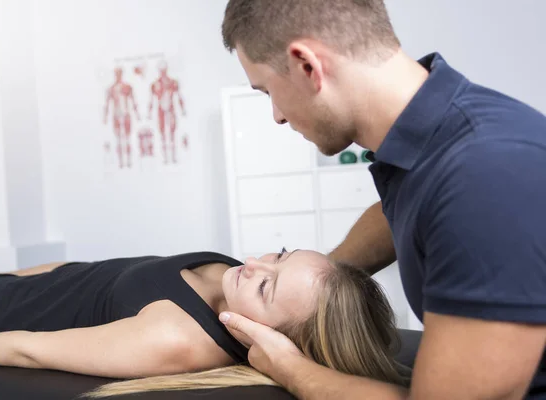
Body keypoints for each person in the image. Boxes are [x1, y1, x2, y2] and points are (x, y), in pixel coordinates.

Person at [219, 1, 546, 399]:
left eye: (268, 90)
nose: (277, 116)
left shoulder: (483, 176)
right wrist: (317, 285)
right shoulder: (435, 148)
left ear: (307, 65)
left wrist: (289, 366)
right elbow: (404, 217)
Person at [0, 248, 408, 398]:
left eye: (266, 288)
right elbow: (94, 273)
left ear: (273, 337)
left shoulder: (181, 338)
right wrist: (14, 274)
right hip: (3, 284)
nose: (253, 263)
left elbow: (27, 348)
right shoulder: (232, 279)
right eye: (279, 255)